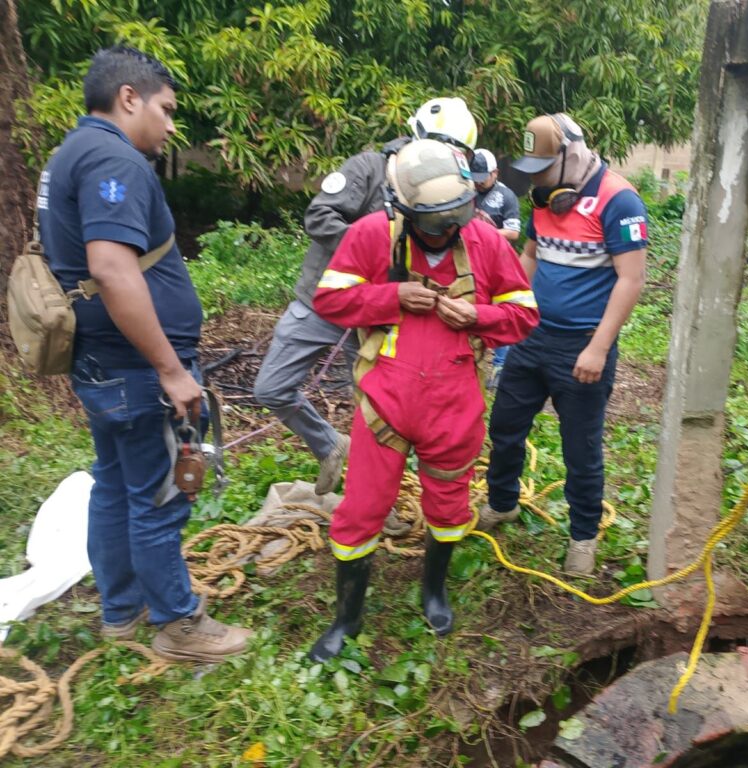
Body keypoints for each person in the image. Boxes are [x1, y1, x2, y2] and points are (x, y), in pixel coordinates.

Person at [39, 46, 251, 661]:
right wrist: (171, 369)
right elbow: (110, 268)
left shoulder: (68, 153)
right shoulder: (114, 159)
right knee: (159, 494)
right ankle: (178, 624)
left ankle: (120, 610)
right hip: (136, 369)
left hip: (100, 363)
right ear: (129, 98)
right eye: (167, 109)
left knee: (113, 484)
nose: (171, 125)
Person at [307, 140, 538, 661]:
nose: (448, 230)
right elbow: (330, 299)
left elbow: (524, 314)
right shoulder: (372, 235)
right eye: (435, 223)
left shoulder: (485, 241)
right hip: (384, 405)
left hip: (455, 406)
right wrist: (391, 296)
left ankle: (434, 591)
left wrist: (479, 316)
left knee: (449, 505)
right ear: (405, 210)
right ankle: (347, 619)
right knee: (362, 509)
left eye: (456, 217)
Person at [253, 97, 479, 499]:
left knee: (376, 415)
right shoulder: (370, 169)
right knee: (271, 388)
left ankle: (374, 503)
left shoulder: (442, 191)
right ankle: (329, 444)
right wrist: (369, 248)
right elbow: (319, 216)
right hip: (321, 302)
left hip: (380, 315)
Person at [479, 113, 648, 576]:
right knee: (505, 426)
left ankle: (583, 536)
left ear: (572, 156)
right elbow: (530, 255)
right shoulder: (543, 200)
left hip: (582, 346)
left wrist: (598, 348)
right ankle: (502, 503)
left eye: (543, 168)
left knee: (580, 447)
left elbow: (632, 280)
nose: (535, 180)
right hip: (532, 338)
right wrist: (510, 314)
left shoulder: (620, 200)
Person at [469, 147, 522, 386]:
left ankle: (500, 366)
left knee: (500, 311)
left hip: (498, 260)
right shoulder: (467, 191)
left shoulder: (505, 196)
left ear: (495, 173)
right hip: (471, 260)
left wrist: (483, 234)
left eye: (483, 178)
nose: (479, 183)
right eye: (475, 178)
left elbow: (513, 232)